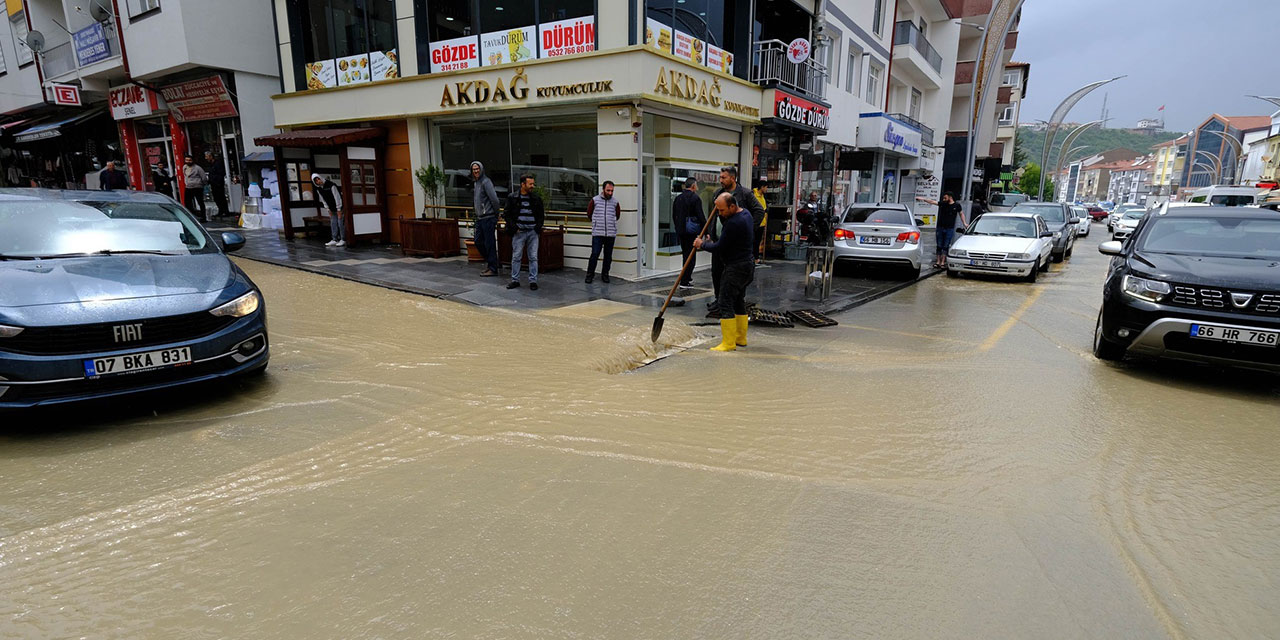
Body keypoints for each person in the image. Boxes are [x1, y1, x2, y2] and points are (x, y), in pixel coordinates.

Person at [695, 192, 755, 352]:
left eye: (721, 210)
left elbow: (719, 247)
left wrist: (702, 244)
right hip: (747, 264)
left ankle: (728, 343)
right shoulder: (746, 214)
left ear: (732, 206)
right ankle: (740, 338)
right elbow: (725, 240)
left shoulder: (734, 223)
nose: (719, 213)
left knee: (725, 301)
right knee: (738, 301)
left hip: (736, 267)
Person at [707, 167, 764, 314]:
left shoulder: (744, 194)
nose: (721, 180)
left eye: (724, 177)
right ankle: (719, 300)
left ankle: (729, 303)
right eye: (720, 177)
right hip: (719, 240)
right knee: (717, 272)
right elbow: (713, 216)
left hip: (735, 246)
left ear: (733, 178)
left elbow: (759, 211)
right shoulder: (718, 193)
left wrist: (749, 230)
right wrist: (710, 233)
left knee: (734, 277)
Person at [504, 174, 544, 291]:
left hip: (532, 231)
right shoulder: (513, 197)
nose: (533, 186)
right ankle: (515, 280)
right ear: (523, 184)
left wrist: (537, 228)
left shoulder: (536, 198)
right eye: (530, 184)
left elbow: (541, 215)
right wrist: (514, 227)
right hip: (519, 231)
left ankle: (533, 281)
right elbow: (507, 214)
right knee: (516, 256)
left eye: (533, 183)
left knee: (533, 257)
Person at [916, 192, 966, 269]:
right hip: (940, 227)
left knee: (946, 245)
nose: (944, 199)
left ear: (950, 197)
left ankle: (943, 262)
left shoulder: (957, 205)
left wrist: (964, 223)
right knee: (939, 245)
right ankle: (938, 261)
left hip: (949, 228)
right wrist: (923, 199)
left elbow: (961, 214)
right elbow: (932, 202)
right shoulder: (943, 204)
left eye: (945, 198)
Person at [585, 180, 621, 284]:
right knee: (595, 254)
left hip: (610, 233)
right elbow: (589, 213)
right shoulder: (595, 200)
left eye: (612, 191)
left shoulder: (615, 202)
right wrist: (596, 223)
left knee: (608, 256)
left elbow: (617, 215)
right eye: (608, 190)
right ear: (603, 189)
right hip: (598, 233)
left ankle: (605, 275)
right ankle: (589, 275)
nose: (610, 193)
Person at [470, 161, 501, 276]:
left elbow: (495, 199)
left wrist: (496, 214)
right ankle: (493, 262)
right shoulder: (476, 183)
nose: (476, 171)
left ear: (481, 169)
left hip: (488, 217)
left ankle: (493, 268)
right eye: (474, 169)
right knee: (478, 242)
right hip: (480, 218)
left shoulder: (486, 182)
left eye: (477, 169)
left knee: (489, 243)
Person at [672, 177, 704, 289]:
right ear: (693, 186)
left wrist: (677, 227)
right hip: (691, 231)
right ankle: (685, 280)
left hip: (681, 231)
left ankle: (685, 278)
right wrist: (706, 230)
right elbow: (701, 215)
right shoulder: (695, 198)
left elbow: (674, 214)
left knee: (685, 254)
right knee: (690, 256)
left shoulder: (678, 198)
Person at [313, 174, 345, 247]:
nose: (318, 181)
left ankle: (343, 239)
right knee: (333, 223)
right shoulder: (318, 189)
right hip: (331, 208)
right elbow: (323, 199)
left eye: (318, 179)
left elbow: (337, 197)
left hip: (338, 207)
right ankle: (335, 239)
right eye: (316, 181)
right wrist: (327, 209)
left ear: (321, 178)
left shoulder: (331, 185)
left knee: (340, 223)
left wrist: (339, 209)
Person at [182, 155, 208, 221]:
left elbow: (204, 178)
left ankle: (203, 217)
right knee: (187, 202)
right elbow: (185, 176)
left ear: (193, 160)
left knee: (200, 202)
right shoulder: (184, 167)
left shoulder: (198, 168)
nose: (188, 161)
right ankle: (192, 215)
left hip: (197, 187)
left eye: (190, 160)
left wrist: (202, 184)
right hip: (188, 187)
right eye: (186, 160)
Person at [205, 151, 230, 217]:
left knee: (221, 197)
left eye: (207, 157)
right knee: (216, 198)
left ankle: (225, 211)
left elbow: (220, 174)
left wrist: (217, 181)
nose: (206, 158)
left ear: (211, 156)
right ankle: (221, 210)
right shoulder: (211, 165)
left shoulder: (217, 164)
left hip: (218, 184)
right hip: (213, 184)